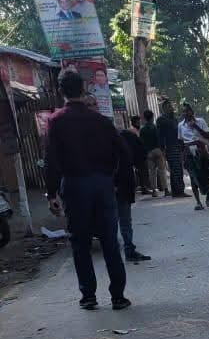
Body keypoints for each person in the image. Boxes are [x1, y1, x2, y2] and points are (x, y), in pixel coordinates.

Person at [44, 69, 131, 310]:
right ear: (83, 90)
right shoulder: (101, 121)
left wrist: (51, 193)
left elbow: (52, 160)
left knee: (80, 242)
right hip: (102, 184)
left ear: (61, 91)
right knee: (109, 241)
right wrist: (115, 179)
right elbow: (124, 152)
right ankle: (118, 296)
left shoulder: (56, 121)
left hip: (74, 185)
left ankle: (89, 296)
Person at [116, 126, 151, 264]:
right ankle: (129, 249)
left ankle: (114, 253)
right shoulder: (127, 136)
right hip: (123, 183)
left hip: (104, 184)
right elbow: (141, 155)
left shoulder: (97, 138)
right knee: (125, 220)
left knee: (110, 221)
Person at [179, 103, 209, 210]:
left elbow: (208, 136)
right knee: (193, 176)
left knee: (207, 174)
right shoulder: (180, 125)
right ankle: (198, 202)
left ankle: (208, 198)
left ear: (192, 111)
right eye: (184, 111)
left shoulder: (201, 121)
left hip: (201, 150)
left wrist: (196, 126)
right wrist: (182, 156)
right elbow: (180, 142)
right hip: (189, 152)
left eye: (188, 111)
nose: (186, 113)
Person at [157, 99, 186, 197]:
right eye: (169, 106)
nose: (171, 108)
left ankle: (179, 190)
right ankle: (177, 191)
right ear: (164, 108)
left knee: (179, 169)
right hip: (169, 147)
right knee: (175, 169)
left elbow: (179, 133)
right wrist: (162, 148)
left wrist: (182, 145)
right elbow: (160, 135)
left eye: (171, 106)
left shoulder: (174, 119)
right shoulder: (161, 120)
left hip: (177, 146)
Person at [140, 109, 169, 197]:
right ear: (152, 117)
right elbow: (160, 139)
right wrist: (163, 150)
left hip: (149, 152)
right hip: (158, 150)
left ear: (144, 118)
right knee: (162, 171)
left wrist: (146, 152)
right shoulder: (156, 128)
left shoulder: (142, 130)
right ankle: (166, 190)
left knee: (152, 172)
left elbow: (141, 143)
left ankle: (154, 191)